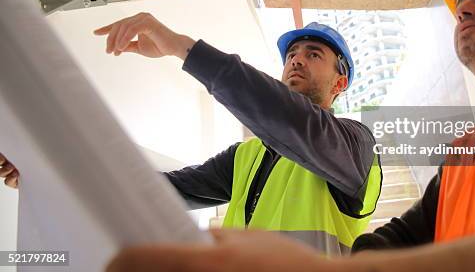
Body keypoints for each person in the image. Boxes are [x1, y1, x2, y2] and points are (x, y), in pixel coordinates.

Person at [104, 0, 475, 271]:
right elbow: (401, 240)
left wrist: (184, 49)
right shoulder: (464, 155)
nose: (465, 9)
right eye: (461, 4)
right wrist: (47, 169)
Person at [0, 18, 382, 256]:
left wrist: (181, 48)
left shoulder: (354, 145)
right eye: (292, 53)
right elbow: (160, 191)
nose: (296, 59)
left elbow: (288, 119)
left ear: (340, 82)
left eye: (314, 54)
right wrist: (48, 174)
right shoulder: (246, 157)